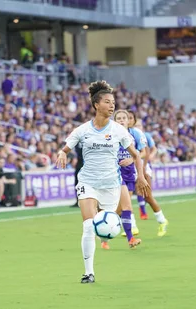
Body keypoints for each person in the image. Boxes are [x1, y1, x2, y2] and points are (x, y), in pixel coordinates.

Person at [55, 81, 150, 284]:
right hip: (87, 182)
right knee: (89, 226)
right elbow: (65, 148)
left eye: (113, 102)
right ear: (96, 104)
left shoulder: (119, 130)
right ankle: (89, 273)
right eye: (108, 102)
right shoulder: (82, 130)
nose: (112, 105)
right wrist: (62, 154)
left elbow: (136, 155)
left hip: (111, 185)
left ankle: (108, 235)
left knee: (105, 229)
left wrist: (140, 176)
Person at [100, 110, 146, 250]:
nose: (121, 120)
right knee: (127, 207)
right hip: (115, 173)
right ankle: (130, 239)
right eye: (118, 118)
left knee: (119, 210)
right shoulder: (110, 135)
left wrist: (132, 160)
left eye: (123, 118)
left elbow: (141, 153)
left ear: (129, 121)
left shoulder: (134, 134)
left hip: (129, 173)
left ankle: (102, 233)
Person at [129, 111, 169, 237]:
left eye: (129, 118)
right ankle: (133, 226)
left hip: (141, 168)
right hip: (128, 169)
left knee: (148, 197)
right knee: (126, 198)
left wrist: (144, 168)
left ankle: (162, 221)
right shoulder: (120, 133)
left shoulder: (138, 133)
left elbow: (145, 152)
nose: (125, 120)